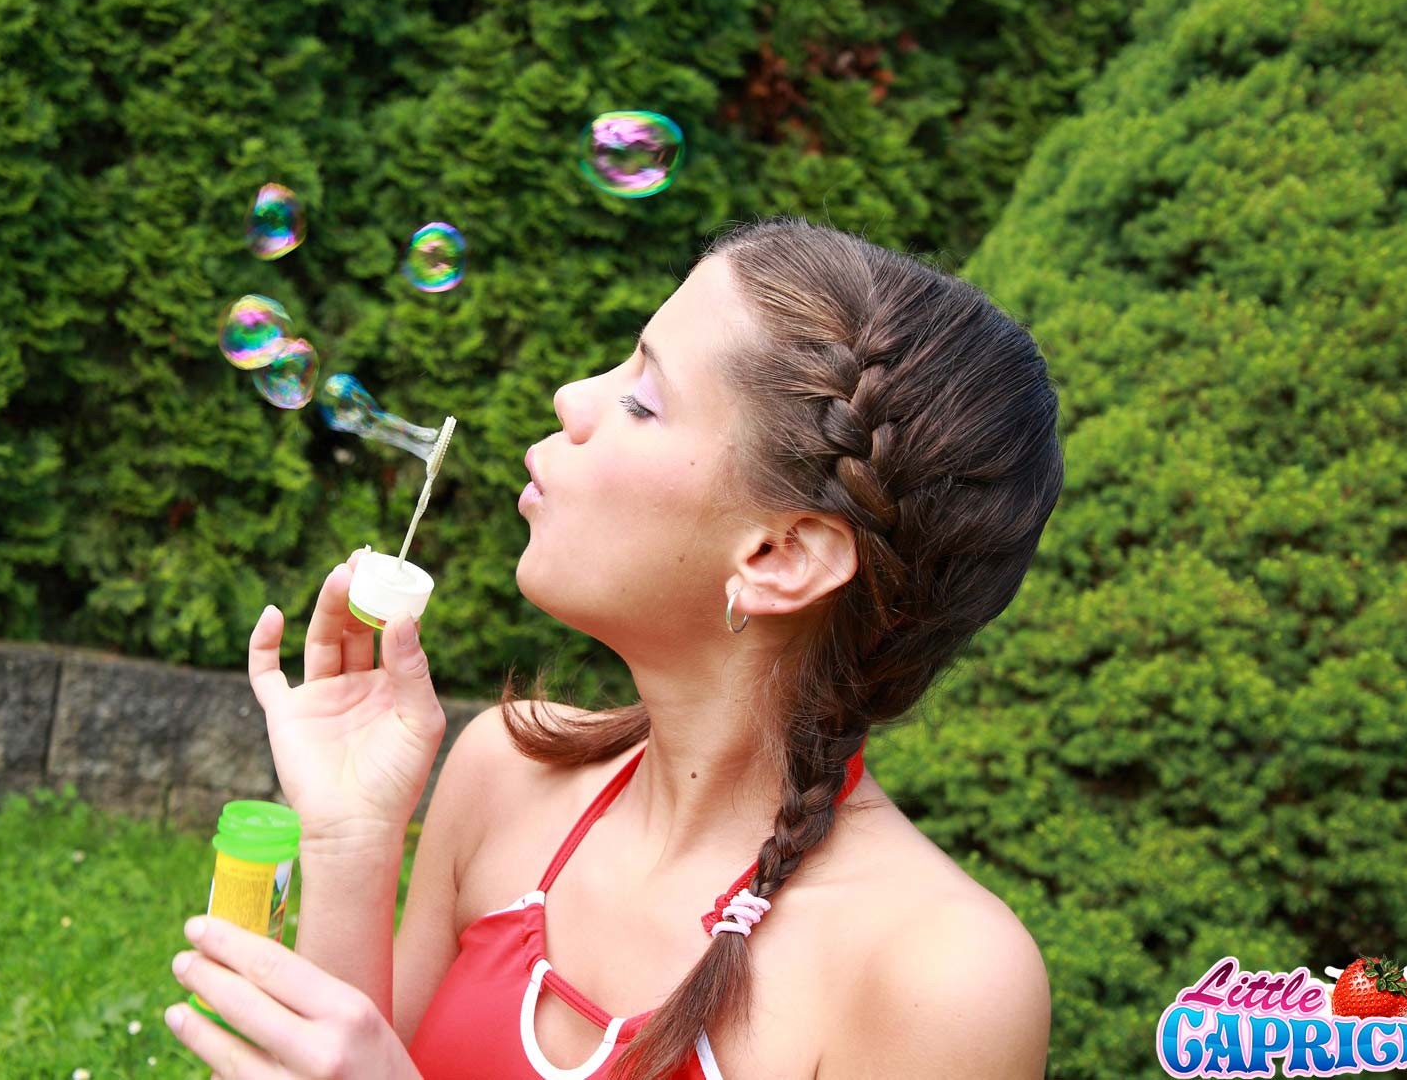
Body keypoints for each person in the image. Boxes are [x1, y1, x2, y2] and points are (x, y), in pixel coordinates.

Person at [165, 216, 1064, 1079]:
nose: (572, 397)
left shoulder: (940, 978)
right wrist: (353, 841)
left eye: (640, 397)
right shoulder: (503, 773)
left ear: (778, 555)